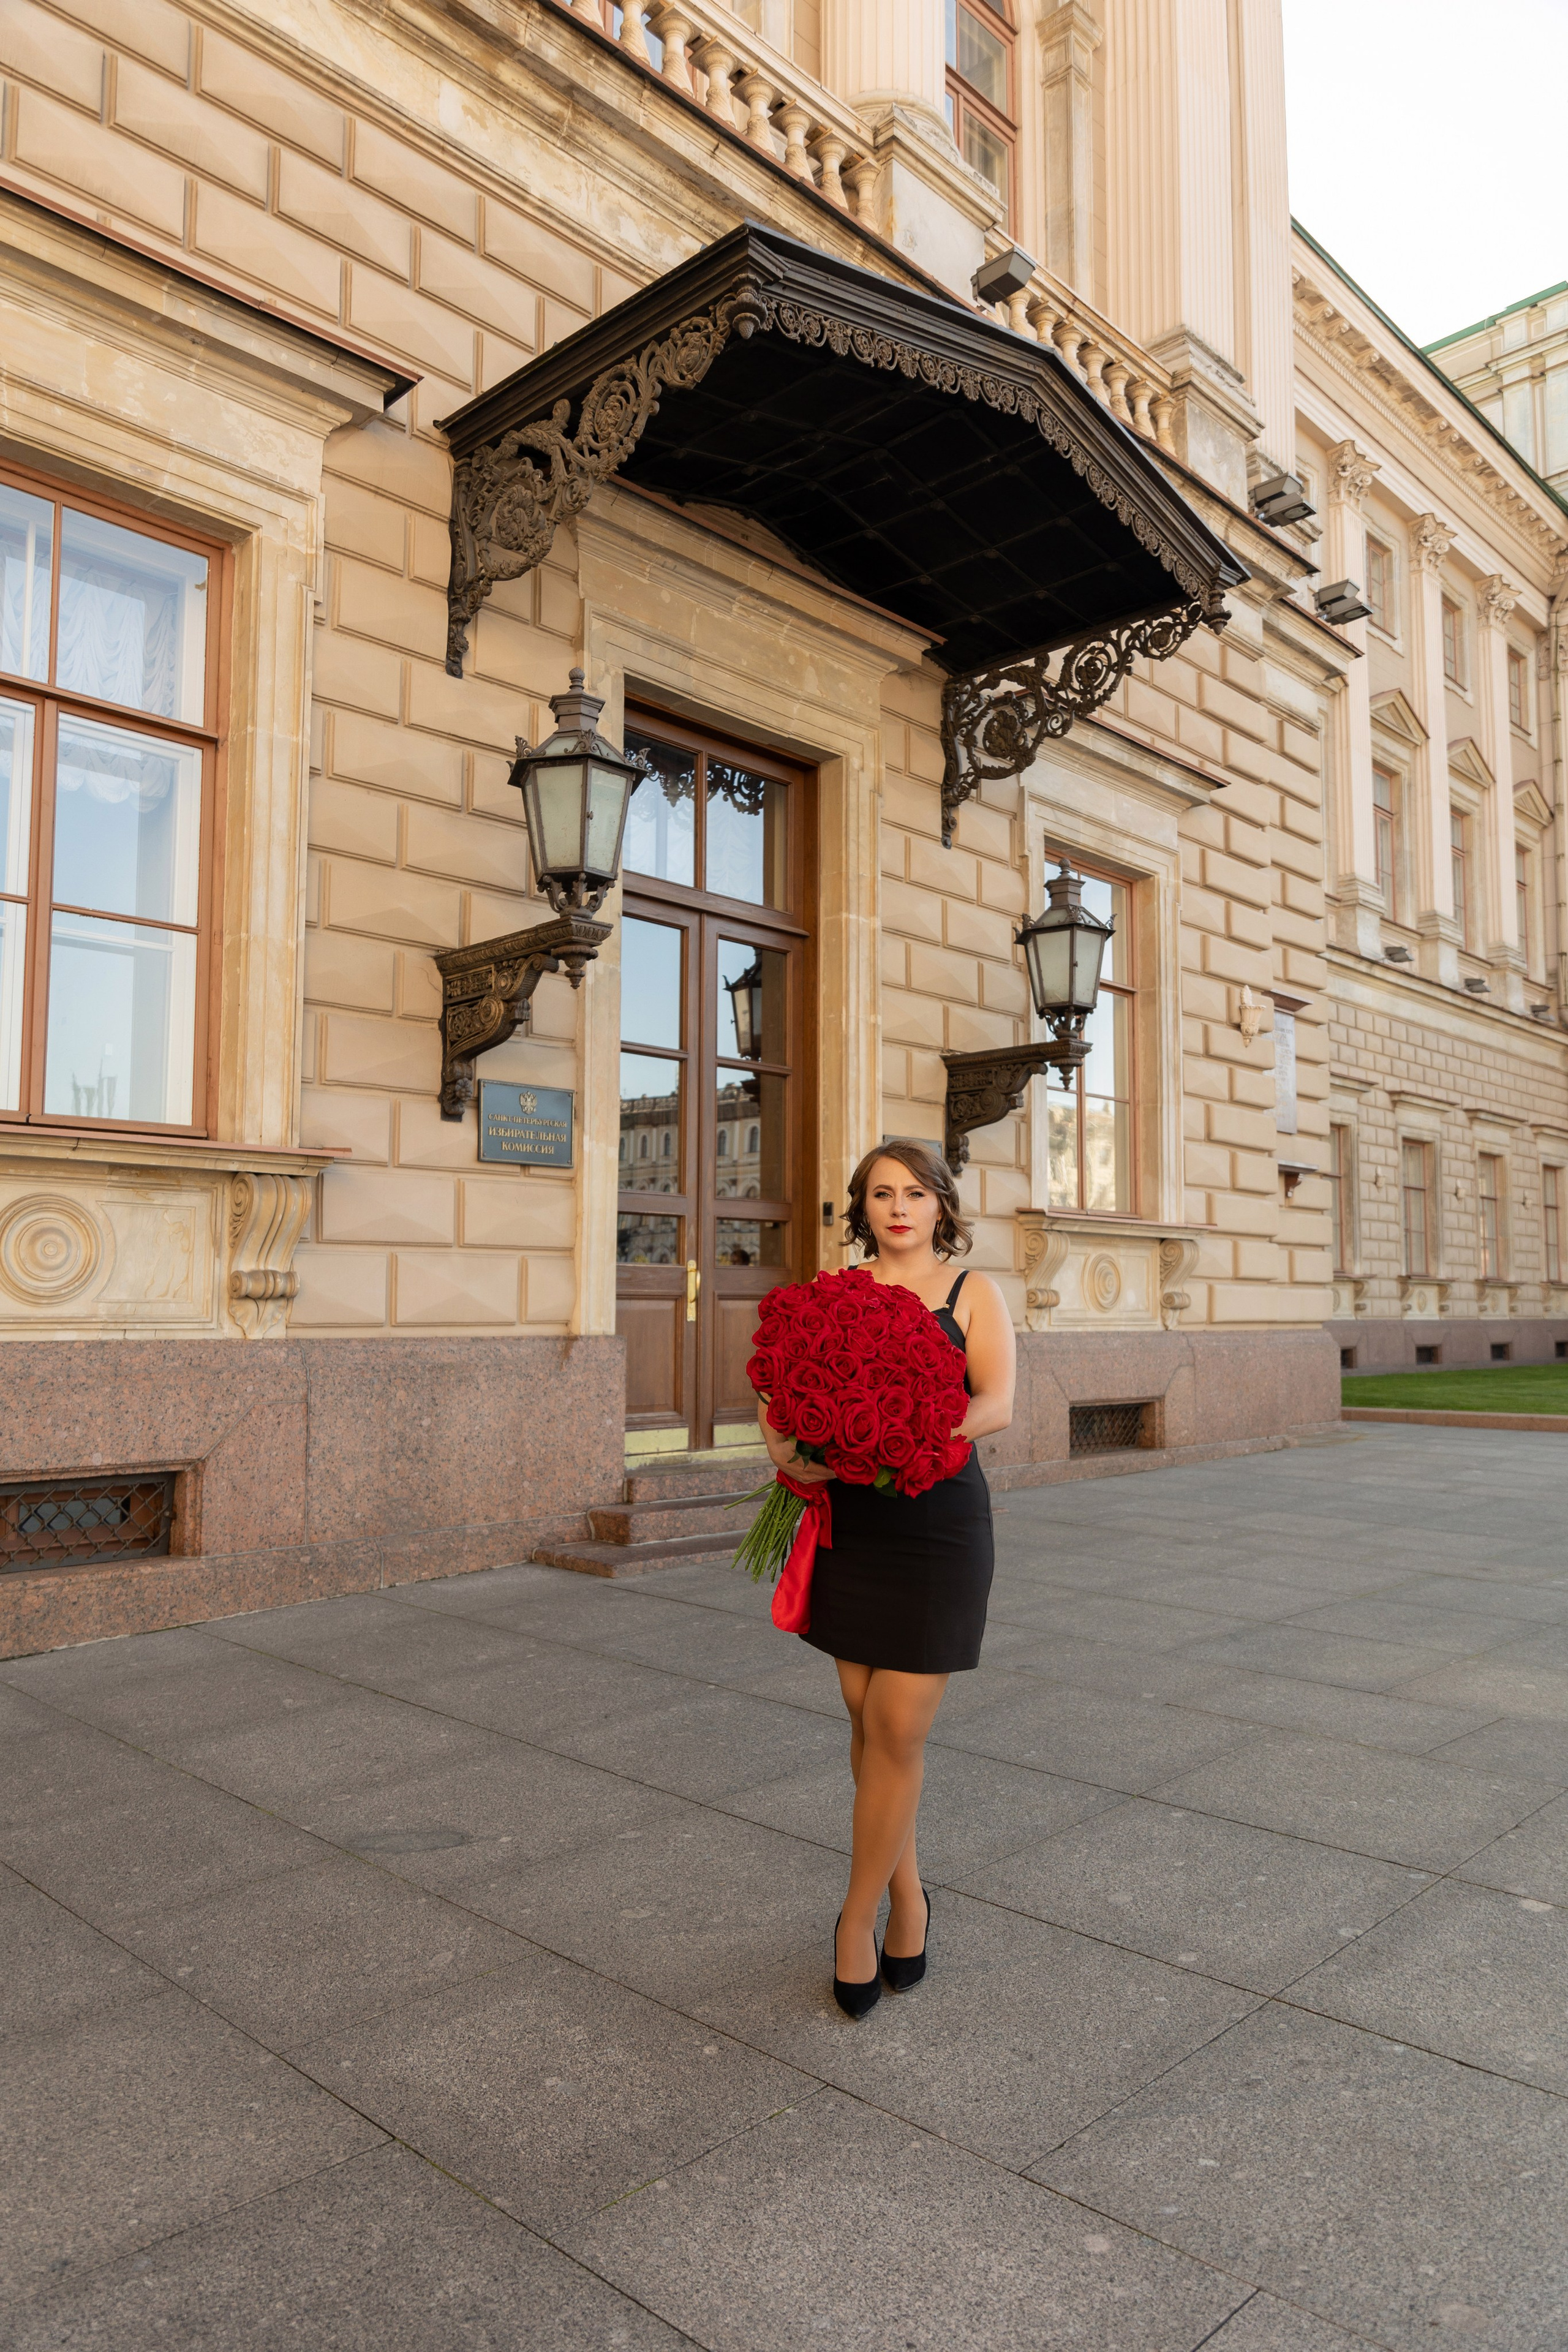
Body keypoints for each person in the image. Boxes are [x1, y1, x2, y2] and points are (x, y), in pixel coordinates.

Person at [755, 1139, 1016, 2018]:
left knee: (899, 1730)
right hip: (854, 1524)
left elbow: (997, 1403)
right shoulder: (839, 1294)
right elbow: (781, 1394)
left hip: (938, 1527)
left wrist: (906, 1443)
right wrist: (792, 1448)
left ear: (943, 1204)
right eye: (879, 1195)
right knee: (866, 1724)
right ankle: (911, 1899)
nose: (898, 1208)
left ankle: (854, 1920)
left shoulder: (971, 1293)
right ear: (859, 1209)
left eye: (914, 1193)